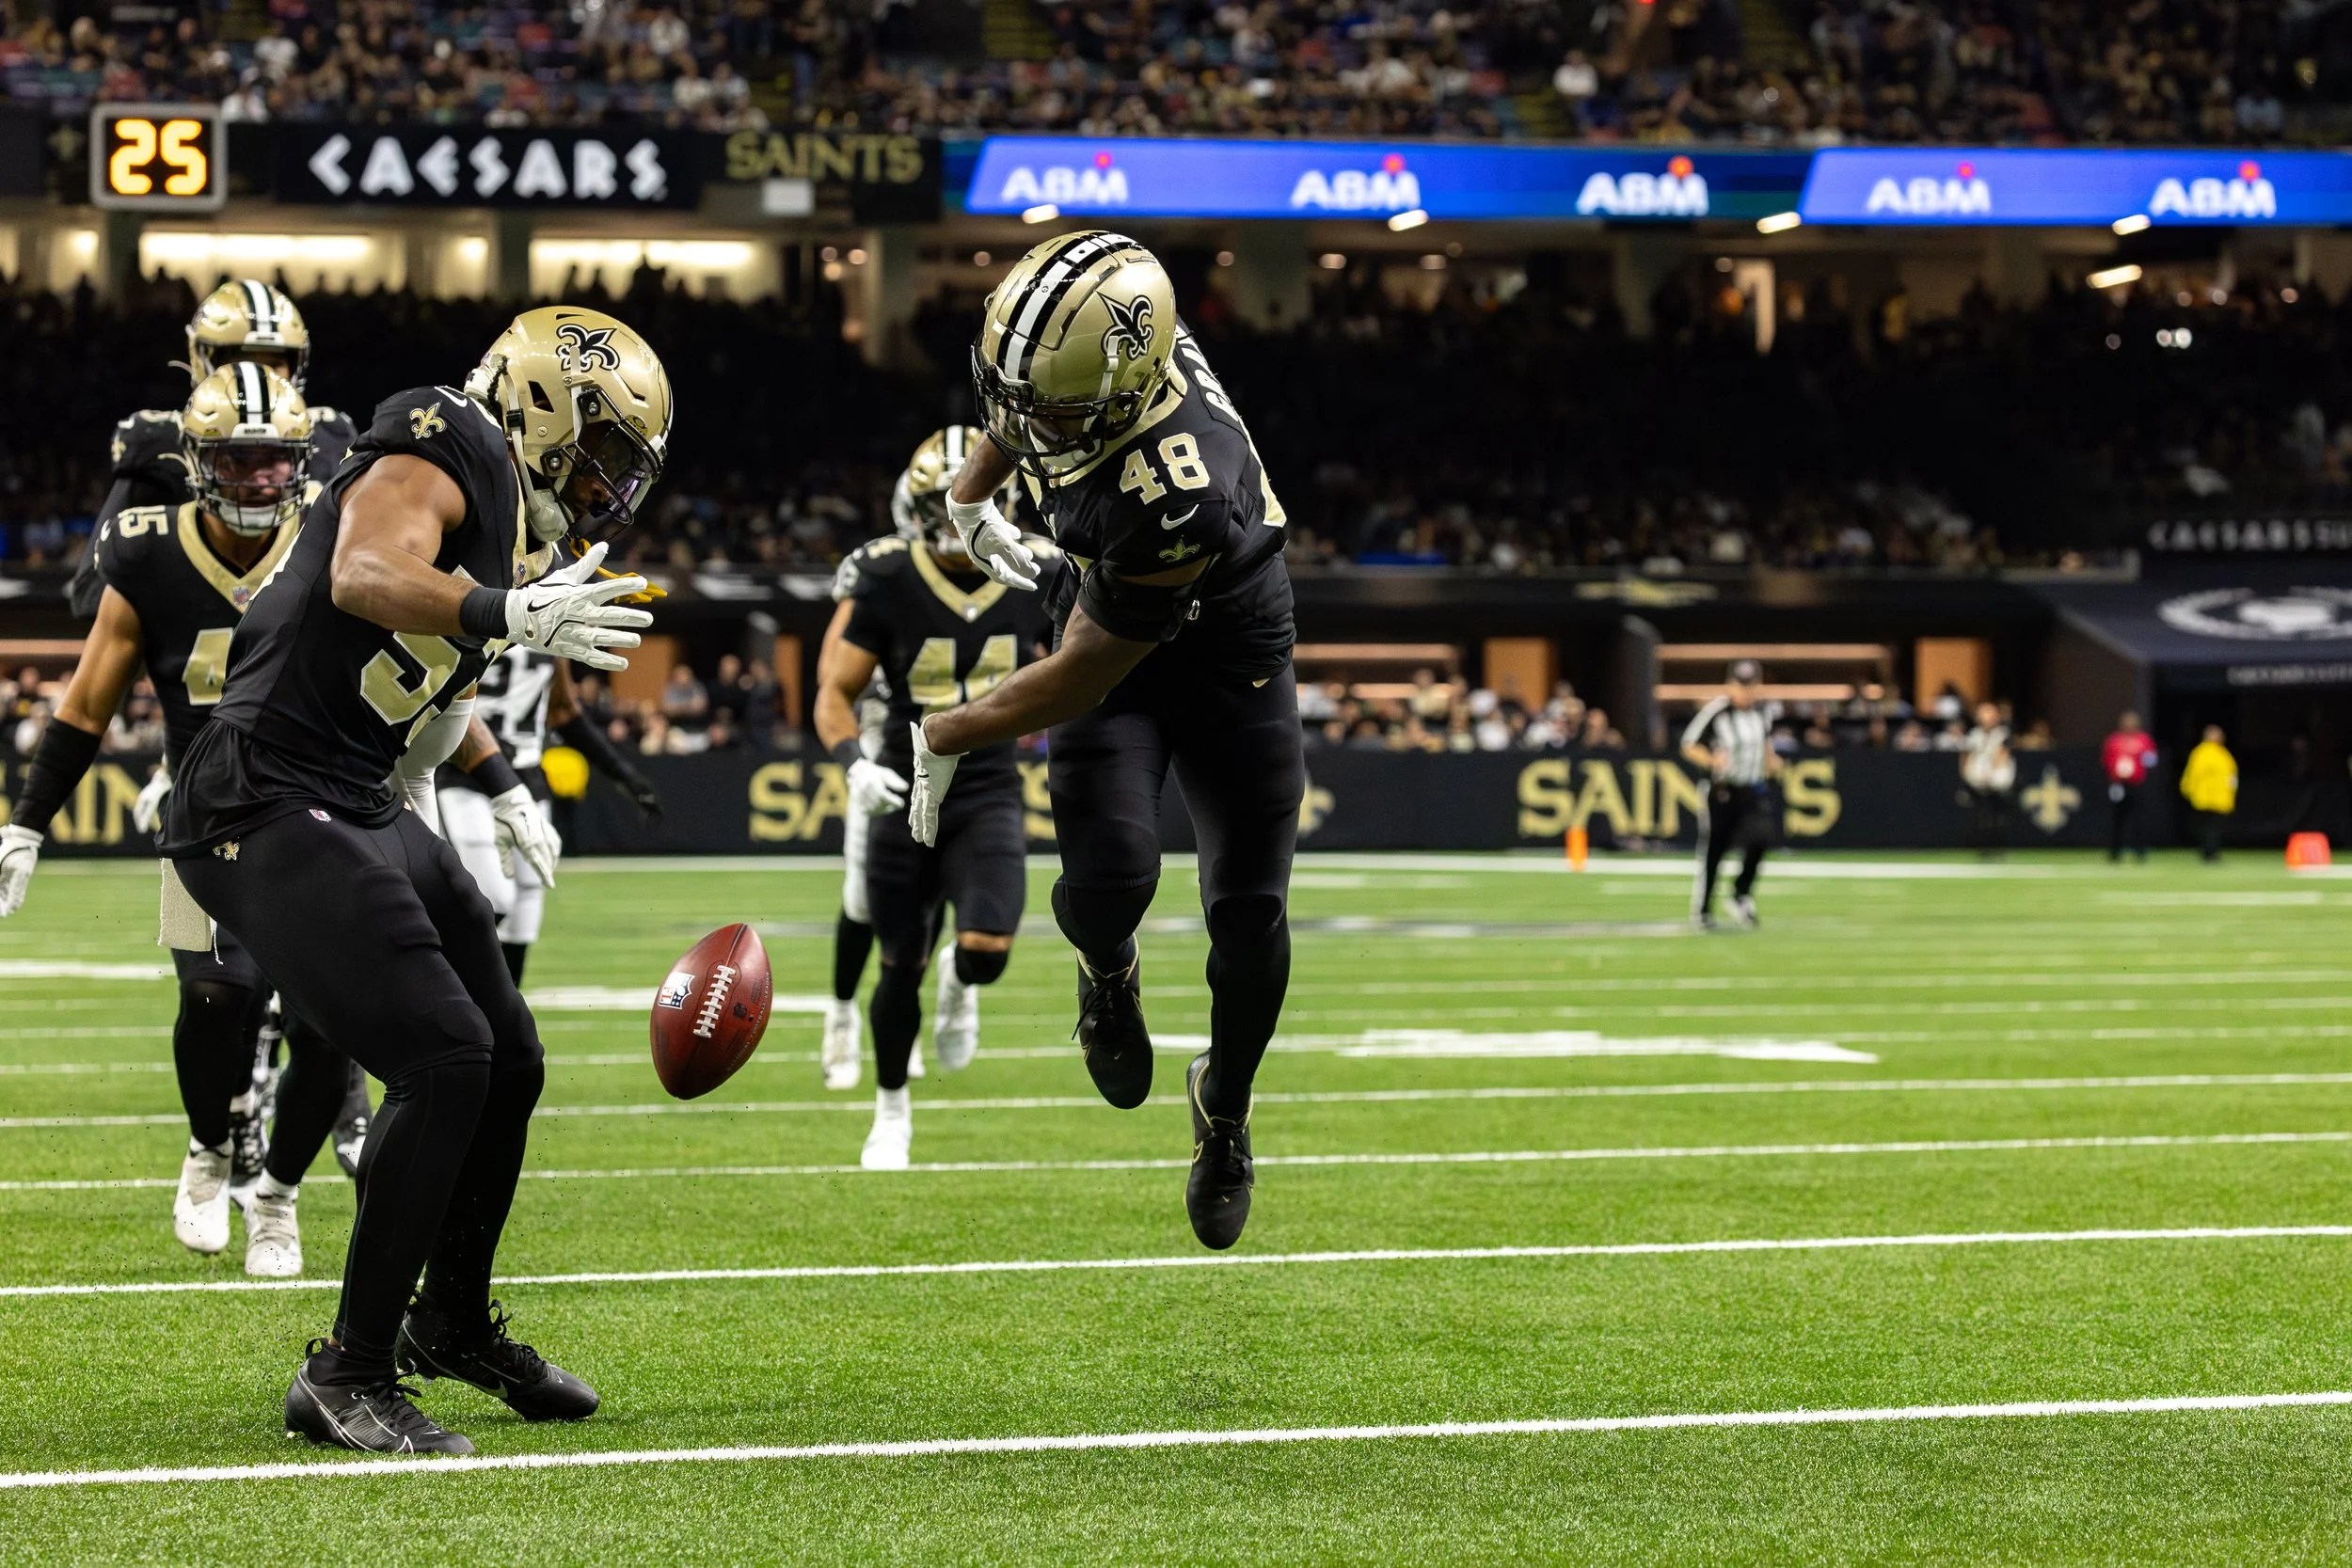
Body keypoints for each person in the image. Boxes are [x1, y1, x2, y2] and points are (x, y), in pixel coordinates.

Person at [150, 306, 668, 1454]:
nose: (609, 485)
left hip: (356, 788)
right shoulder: (448, 434)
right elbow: (363, 572)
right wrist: (501, 610)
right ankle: (346, 1369)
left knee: (509, 1054)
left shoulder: (516, 528)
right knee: (443, 1053)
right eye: (603, 449)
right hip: (264, 789)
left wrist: (498, 784)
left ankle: (450, 1320)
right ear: (545, 408)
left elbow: (424, 684)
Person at [905, 230, 1303, 1250]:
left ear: (1123, 395)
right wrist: (969, 492)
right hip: (1113, 602)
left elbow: (1086, 671)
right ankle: (1108, 967)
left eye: (1054, 409)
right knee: (1113, 875)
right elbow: (1019, 405)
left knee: (1249, 917)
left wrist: (947, 729)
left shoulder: (1178, 484)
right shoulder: (1086, 349)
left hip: (1224, 662)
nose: (1030, 420)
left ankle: (1224, 1109)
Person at [0, 366, 371, 1278]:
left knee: (330, 1025)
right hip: (204, 808)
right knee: (214, 997)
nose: (259, 477)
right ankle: (210, 1146)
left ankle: (276, 1194)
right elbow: (87, 702)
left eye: (275, 459)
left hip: (323, 803)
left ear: (303, 461)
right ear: (197, 462)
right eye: (237, 459)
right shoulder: (148, 552)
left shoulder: (339, 538)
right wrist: (27, 823)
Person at [816, 426, 1059, 1166]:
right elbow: (834, 690)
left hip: (986, 784)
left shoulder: (1042, 569)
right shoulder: (888, 573)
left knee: (987, 946)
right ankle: (891, 1111)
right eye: (936, 506)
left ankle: (960, 978)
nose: (949, 523)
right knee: (898, 960)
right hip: (902, 782)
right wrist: (854, 763)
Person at [437, 644, 663, 983]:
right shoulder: (467, 620)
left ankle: (505, 1004)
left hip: (526, 776)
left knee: (528, 897)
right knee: (492, 897)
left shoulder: (550, 631)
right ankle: (437, 987)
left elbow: (563, 711)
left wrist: (625, 774)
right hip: (465, 772)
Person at [1681, 659, 1778, 928]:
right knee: (1715, 850)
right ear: (1730, 685)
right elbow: (1689, 745)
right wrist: (1712, 761)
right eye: (1740, 685)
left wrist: (1771, 762)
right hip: (1722, 791)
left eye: (1750, 685)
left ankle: (1740, 894)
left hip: (1751, 788)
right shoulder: (1717, 712)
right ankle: (1703, 910)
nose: (1745, 692)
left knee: (1761, 839)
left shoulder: (1762, 713)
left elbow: (1765, 746)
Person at [1960, 701, 2016, 856]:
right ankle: (1983, 847)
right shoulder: (1974, 735)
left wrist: (1991, 773)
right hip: (1978, 780)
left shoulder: (2002, 734)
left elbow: (2002, 755)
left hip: (1997, 779)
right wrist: (1967, 775)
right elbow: (1966, 755)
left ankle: (1999, 847)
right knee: (1982, 815)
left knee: (1998, 814)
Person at [2103, 710, 2158, 862]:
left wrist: (2143, 767)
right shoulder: (2114, 740)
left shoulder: (2144, 740)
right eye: (2126, 723)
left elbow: (2152, 759)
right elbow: (2106, 760)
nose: (2129, 725)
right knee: (2118, 818)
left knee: (2139, 818)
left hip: (2137, 784)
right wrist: (2114, 774)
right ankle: (2116, 851)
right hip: (2118, 784)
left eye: (2131, 722)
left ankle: (2140, 851)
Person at [2179, 724, 2236, 863]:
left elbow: (2230, 776)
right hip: (2206, 797)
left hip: (2220, 798)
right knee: (2209, 828)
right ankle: (2208, 853)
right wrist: (2188, 789)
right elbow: (2193, 774)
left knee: (2214, 828)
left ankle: (2211, 852)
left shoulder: (2222, 753)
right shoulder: (2202, 753)